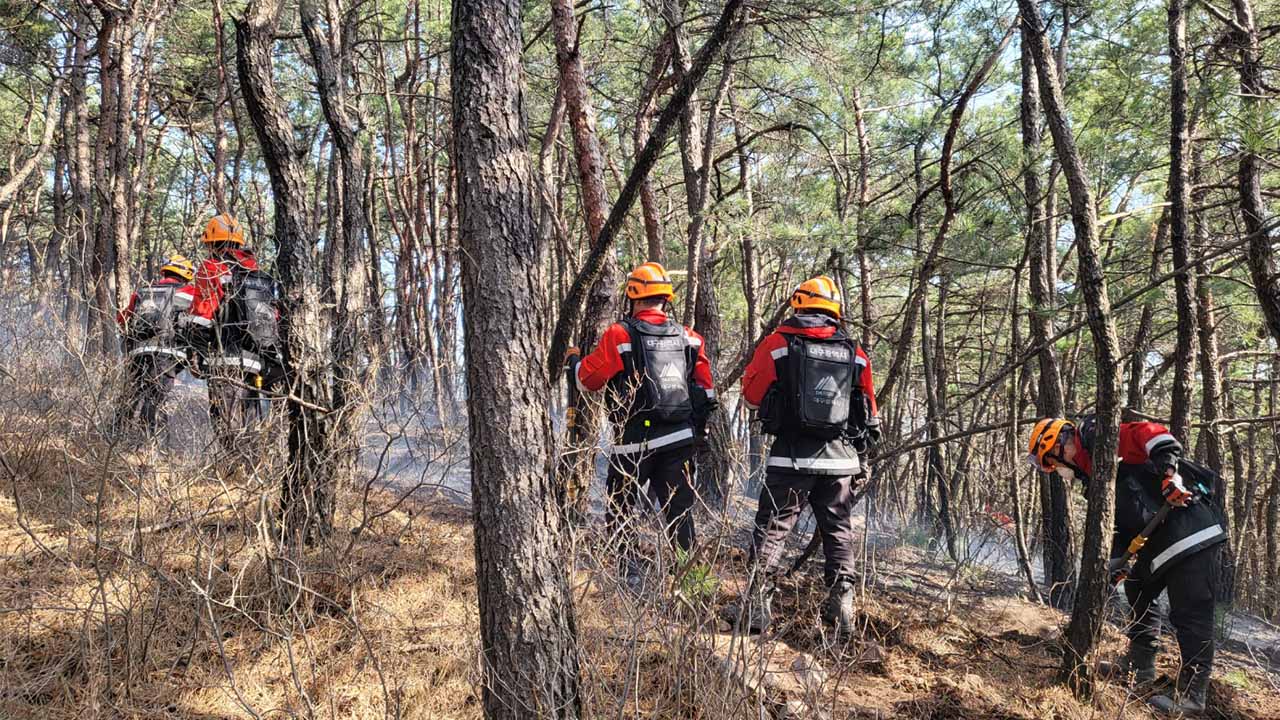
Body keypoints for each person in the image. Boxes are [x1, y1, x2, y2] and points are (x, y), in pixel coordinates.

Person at [1027, 416, 1227, 715]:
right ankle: (1140, 665)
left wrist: (1169, 473)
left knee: (1191, 613)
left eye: (1053, 463)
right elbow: (1119, 523)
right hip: (1160, 543)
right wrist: (1115, 562)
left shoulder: (1099, 436)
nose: (1058, 470)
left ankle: (1192, 696)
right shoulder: (1093, 476)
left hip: (1190, 532)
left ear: (1060, 445)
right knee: (1137, 588)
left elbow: (1151, 435)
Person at [739, 276, 881, 634]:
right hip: (841, 461)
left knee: (773, 529)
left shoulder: (777, 344)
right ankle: (842, 608)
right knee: (838, 531)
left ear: (798, 304)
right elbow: (870, 411)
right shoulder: (854, 351)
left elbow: (752, 395)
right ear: (836, 310)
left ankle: (757, 607)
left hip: (791, 458)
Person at [565, 262, 717, 588]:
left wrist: (574, 361)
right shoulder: (689, 338)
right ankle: (694, 583)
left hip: (635, 438)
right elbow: (706, 389)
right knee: (680, 513)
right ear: (666, 298)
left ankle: (630, 576)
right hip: (679, 438)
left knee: (620, 508)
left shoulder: (620, 335)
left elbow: (588, 381)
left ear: (633, 296)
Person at [184, 213, 282, 450]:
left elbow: (202, 314)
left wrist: (194, 352)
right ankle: (253, 464)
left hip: (223, 358)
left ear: (213, 243)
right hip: (255, 359)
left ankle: (233, 471)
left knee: (226, 421)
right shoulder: (257, 273)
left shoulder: (211, 268)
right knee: (250, 417)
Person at [116, 254, 197, 437]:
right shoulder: (191, 293)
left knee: (131, 396)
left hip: (138, 352)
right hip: (168, 355)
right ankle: (149, 445)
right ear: (186, 274)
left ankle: (116, 437)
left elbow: (122, 320)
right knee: (156, 399)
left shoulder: (144, 292)